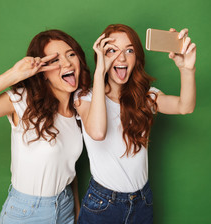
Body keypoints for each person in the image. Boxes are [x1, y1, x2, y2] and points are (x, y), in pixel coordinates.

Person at [0, 29, 91, 224]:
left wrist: (75, 212)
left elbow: (68, 170)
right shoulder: (23, 101)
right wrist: (13, 75)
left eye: (71, 54)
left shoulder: (79, 109)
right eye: (54, 60)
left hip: (65, 207)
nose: (66, 63)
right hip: (27, 211)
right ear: (42, 73)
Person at [74, 24, 196, 223]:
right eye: (112, 51)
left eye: (129, 50)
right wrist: (99, 72)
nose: (121, 58)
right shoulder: (84, 98)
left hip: (142, 202)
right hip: (102, 204)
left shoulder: (147, 97)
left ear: (136, 57)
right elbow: (97, 132)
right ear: (101, 56)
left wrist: (187, 68)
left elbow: (185, 106)